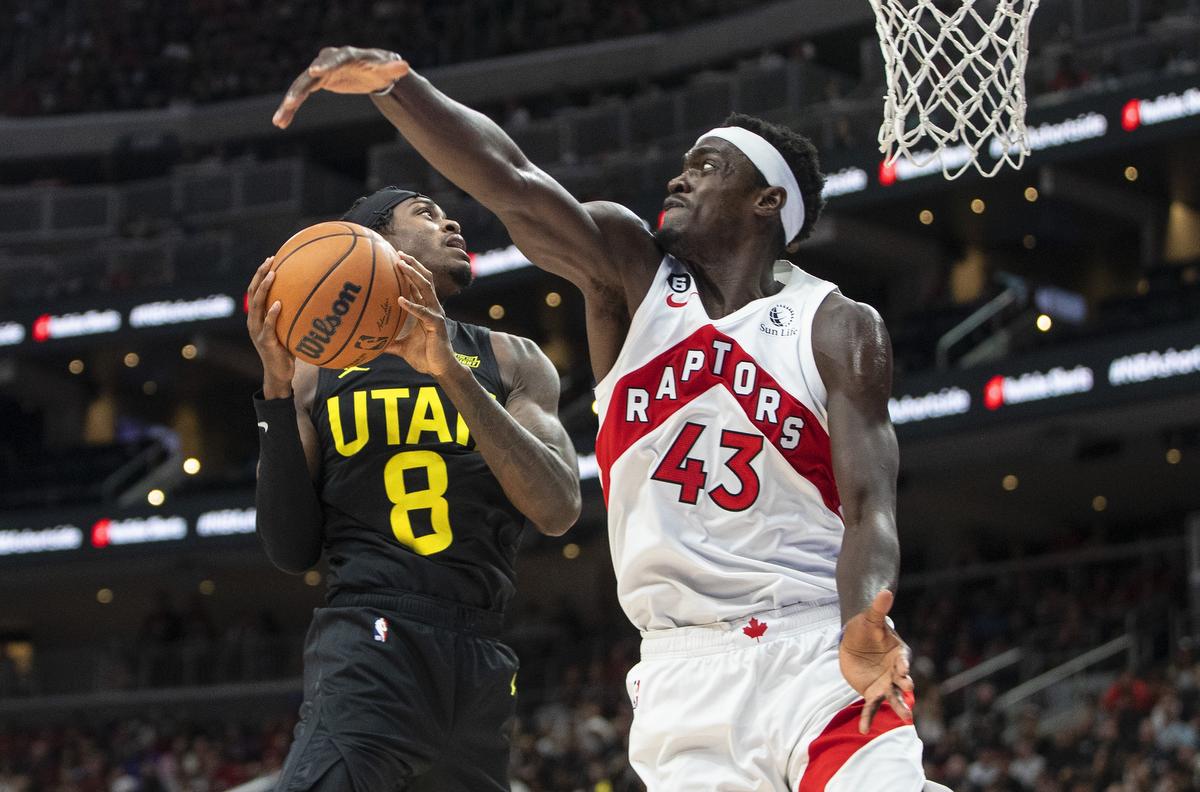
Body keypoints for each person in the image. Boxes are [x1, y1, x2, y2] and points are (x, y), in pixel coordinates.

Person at [273, 48, 928, 790]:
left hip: (816, 642)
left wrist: (864, 623)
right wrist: (400, 88)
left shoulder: (837, 325)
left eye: (708, 167)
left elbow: (871, 506)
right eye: (685, 163)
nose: (680, 177)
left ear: (767, 201)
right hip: (683, 670)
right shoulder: (631, 277)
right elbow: (512, 183)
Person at [246, 186, 581, 791]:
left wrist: (449, 372)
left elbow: (558, 508)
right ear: (373, 245)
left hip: (480, 652)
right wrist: (273, 391)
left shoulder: (512, 359)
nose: (451, 221)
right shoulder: (309, 377)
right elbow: (289, 549)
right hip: (370, 636)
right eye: (424, 213)